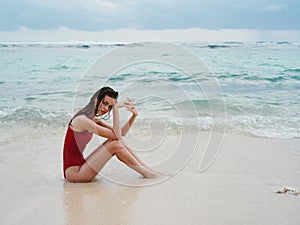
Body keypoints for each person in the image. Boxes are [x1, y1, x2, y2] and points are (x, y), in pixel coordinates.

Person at [63, 86, 158, 182]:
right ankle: (148, 173)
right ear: (96, 99)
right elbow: (117, 135)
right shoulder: (82, 120)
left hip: (82, 166)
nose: (106, 108)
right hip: (75, 174)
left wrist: (134, 116)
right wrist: (116, 109)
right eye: (105, 103)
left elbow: (121, 134)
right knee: (115, 145)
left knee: (117, 141)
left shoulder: (93, 119)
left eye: (110, 107)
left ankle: (148, 170)